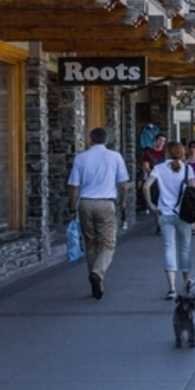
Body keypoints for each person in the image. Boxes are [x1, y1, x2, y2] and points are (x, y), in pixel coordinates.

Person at [66, 127, 130, 300]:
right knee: (108, 243)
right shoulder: (115, 157)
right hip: (106, 203)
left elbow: (73, 186)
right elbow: (124, 184)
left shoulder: (81, 158)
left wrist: (72, 206)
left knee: (91, 243)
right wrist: (123, 201)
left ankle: (96, 283)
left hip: (85, 203)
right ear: (106, 140)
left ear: (90, 140)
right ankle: (98, 273)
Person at [140, 141, 195, 300]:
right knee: (185, 248)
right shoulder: (187, 169)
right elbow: (194, 190)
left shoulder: (159, 169)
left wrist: (152, 206)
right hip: (183, 214)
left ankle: (171, 288)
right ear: (182, 153)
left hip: (164, 213)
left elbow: (146, 187)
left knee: (169, 248)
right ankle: (186, 282)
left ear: (166, 152)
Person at [140, 132, 166, 232]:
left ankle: (163, 222)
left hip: (165, 181)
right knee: (155, 202)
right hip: (153, 180)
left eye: (163, 141)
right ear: (155, 141)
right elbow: (146, 166)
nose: (161, 143)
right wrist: (154, 174)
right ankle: (159, 222)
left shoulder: (165, 153)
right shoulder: (148, 153)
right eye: (160, 140)